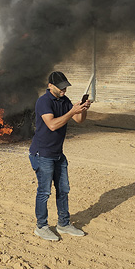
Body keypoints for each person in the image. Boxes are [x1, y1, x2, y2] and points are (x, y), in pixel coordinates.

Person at [29, 71, 90, 241]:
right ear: (50, 86)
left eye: (66, 86)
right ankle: (41, 226)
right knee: (44, 192)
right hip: (42, 154)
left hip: (58, 154)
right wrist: (72, 112)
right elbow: (53, 125)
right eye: (61, 87)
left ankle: (63, 223)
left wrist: (82, 109)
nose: (64, 89)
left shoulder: (65, 101)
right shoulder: (44, 101)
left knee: (63, 190)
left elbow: (79, 120)